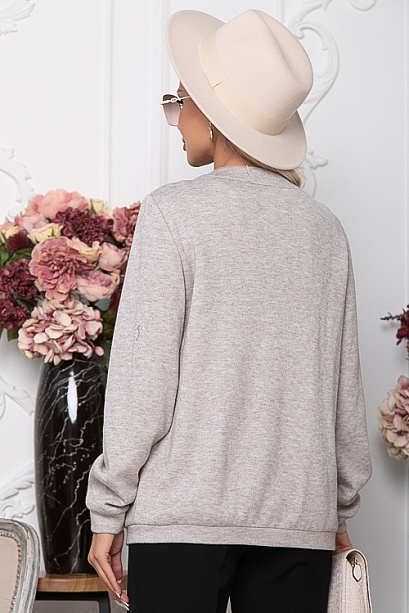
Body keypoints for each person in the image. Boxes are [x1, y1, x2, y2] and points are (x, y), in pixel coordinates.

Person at [86, 9, 372, 613]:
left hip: (182, 518)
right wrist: (337, 510)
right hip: (299, 518)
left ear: (212, 114)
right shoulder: (325, 230)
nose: (174, 117)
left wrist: (108, 509)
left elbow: (144, 381)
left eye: (178, 100)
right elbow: (344, 390)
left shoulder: (172, 213)